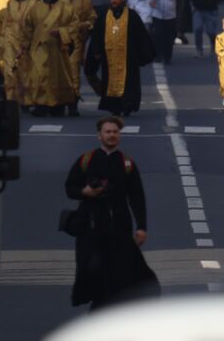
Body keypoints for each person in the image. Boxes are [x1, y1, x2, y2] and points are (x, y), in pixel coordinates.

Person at [63, 116, 159, 310]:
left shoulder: (127, 164)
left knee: (120, 270)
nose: (112, 135)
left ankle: (110, 308)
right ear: (99, 136)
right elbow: (69, 187)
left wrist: (141, 227)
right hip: (90, 226)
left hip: (118, 226)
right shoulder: (86, 160)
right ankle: (99, 305)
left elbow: (136, 198)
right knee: (92, 267)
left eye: (115, 132)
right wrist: (85, 192)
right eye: (108, 132)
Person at [84, 0, 156, 117]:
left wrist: (142, 55)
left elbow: (141, 36)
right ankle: (114, 107)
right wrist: (96, 52)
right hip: (109, 57)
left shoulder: (132, 16)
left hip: (128, 58)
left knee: (128, 83)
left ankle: (127, 106)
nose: (114, 1)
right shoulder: (104, 15)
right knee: (110, 82)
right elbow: (97, 36)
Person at [25, 0, 78, 117]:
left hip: (57, 48)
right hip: (39, 48)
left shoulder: (64, 8)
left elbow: (73, 25)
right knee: (39, 76)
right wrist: (26, 45)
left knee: (57, 77)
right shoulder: (35, 7)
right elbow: (28, 27)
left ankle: (57, 105)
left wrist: (61, 31)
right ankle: (40, 105)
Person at [149, 0, 180, 66]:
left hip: (170, 15)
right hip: (157, 14)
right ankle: (158, 56)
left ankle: (168, 57)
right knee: (157, 35)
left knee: (169, 37)